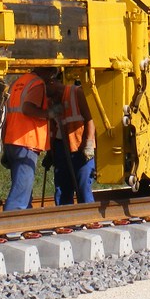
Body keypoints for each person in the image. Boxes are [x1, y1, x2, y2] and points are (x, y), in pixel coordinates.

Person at [2, 67, 58, 211]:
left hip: (12, 140)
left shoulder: (18, 82)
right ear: (46, 70)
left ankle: (25, 217)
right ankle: (12, 221)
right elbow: (27, 109)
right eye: (52, 74)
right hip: (26, 142)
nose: (51, 79)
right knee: (20, 195)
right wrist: (49, 113)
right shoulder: (37, 83)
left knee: (22, 188)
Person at [46, 77, 96, 205]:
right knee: (62, 188)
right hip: (61, 148)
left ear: (53, 83)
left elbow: (90, 119)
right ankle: (65, 216)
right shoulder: (51, 100)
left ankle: (88, 215)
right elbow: (52, 128)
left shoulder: (76, 93)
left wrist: (89, 144)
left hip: (81, 147)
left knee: (83, 186)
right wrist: (50, 152)